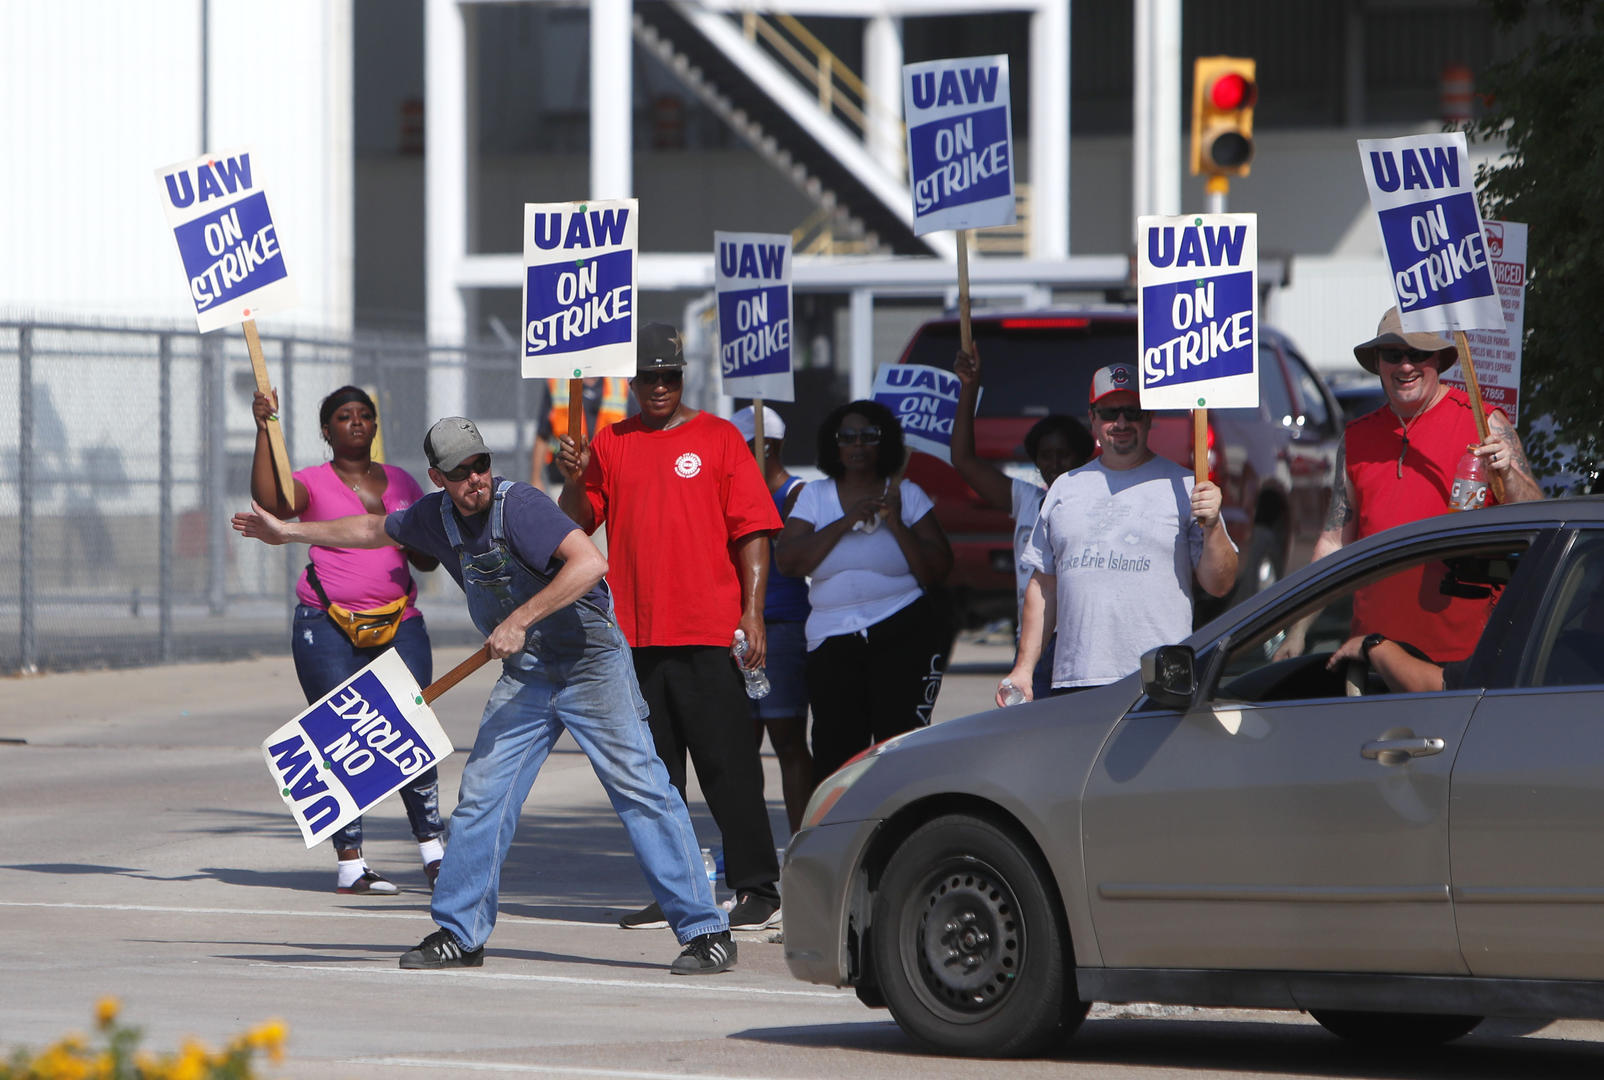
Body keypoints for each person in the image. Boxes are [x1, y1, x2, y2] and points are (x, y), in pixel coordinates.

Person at [232, 417, 736, 975]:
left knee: (642, 789)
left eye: (480, 464)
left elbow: (591, 563)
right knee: (481, 798)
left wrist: (521, 617)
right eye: (459, 471)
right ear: (436, 477)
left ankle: (706, 931)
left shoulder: (519, 506)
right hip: (527, 673)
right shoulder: (432, 517)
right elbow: (375, 529)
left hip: (590, 664)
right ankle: (459, 931)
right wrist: (289, 533)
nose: (475, 478)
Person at [556, 323, 785, 932]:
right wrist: (573, 476)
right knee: (655, 775)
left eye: (668, 376)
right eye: (648, 376)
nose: (658, 386)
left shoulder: (719, 437)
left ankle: (758, 887)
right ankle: (676, 889)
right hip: (632, 636)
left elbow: (753, 530)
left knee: (729, 766)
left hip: (710, 630)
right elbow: (573, 526)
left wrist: (753, 611)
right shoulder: (609, 441)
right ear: (630, 382)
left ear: (682, 376)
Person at [250, 385, 444, 895]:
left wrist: (417, 530)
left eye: (364, 415)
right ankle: (351, 864)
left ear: (375, 426)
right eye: (343, 416)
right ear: (326, 430)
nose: (355, 422)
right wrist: (263, 428)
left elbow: (424, 557)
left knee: (409, 731)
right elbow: (273, 503)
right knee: (338, 735)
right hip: (326, 625)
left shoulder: (401, 481)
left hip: (401, 622)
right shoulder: (312, 482)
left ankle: (434, 854)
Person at [1278, 306, 1543, 663]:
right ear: (1378, 362)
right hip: (1371, 656)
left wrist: (1508, 474)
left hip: (1465, 661)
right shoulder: (1357, 437)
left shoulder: (1484, 421)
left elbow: (1536, 523)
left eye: (1418, 353)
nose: (1405, 365)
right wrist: (1297, 631)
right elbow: (1333, 542)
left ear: (1438, 360)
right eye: (1393, 354)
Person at [999, 363, 1239, 702]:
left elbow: (1220, 584)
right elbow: (1043, 586)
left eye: (1133, 412)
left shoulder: (1186, 486)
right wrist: (1024, 668)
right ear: (1093, 417)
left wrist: (1213, 524)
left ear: (1149, 416)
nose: (1122, 423)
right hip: (1074, 681)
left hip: (1160, 679)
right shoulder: (1064, 488)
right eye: (1110, 413)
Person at [773, 400, 955, 783]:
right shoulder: (815, 496)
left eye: (868, 437)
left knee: (899, 746)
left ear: (883, 443)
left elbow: (935, 572)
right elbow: (788, 561)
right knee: (837, 752)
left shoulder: (907, 494)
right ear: (833, 445)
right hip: (832, 639)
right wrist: (845, 521)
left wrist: (896, 522)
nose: (857, 445)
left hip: (901, 631)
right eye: (848, 437)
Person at [951, 344, 1094, 698]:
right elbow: (963, 460)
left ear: (1082, 457)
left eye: (1065, 454)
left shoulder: (1099, 501)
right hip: (1034, 644)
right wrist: (969, 387)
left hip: (1086, 646)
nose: (1056, 463)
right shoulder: (1027, 500)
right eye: (1046, 455)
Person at [731, 404, 814, 835]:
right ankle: (751, 847)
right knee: (742, 748)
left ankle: (802, 841)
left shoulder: (798, 493)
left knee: (786, 738)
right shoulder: (734, 491)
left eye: (742, 448)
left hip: (781, 627)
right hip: (735, 630)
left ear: (767, 447)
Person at [529, 377, 631, 490]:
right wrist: (535, 479)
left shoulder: (620, 385)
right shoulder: (558, 384)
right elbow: (542, 435)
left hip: (605, 481)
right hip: (562, 480)